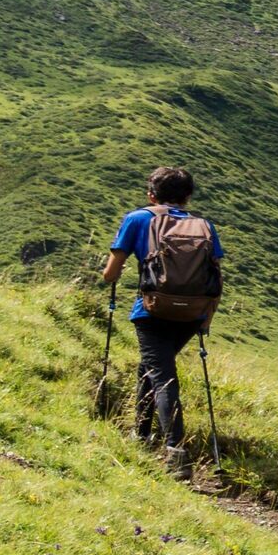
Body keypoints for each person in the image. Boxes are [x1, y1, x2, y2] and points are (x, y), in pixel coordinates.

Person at [102, 166, 224, 481]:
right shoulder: (204, 225)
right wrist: (205, 320)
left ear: (151, 194)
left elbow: (110, 273)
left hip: (152, 312)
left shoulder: (138, 219)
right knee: (152, 368)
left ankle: (176, 452)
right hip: (192, 315)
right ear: (187, 196)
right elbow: (216, 276)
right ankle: (141, 435)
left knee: (162, 377)